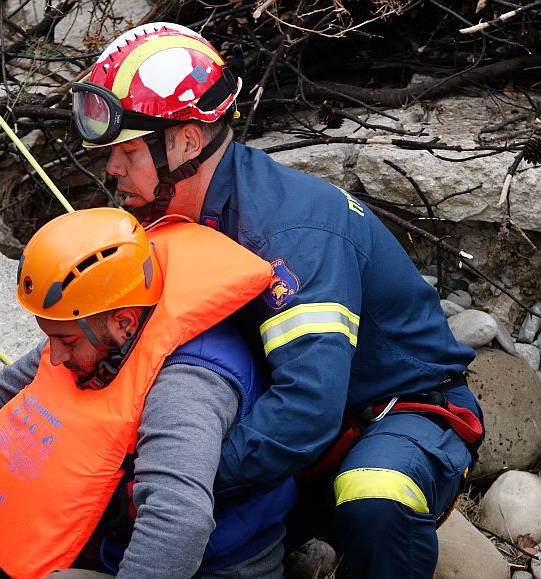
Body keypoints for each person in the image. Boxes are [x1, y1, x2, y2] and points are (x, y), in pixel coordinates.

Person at [71, 22, 485, 578]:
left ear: (187, 141)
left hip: (401, 410)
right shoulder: (176, 219)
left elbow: (307, 409)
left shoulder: (287, 238)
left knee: (374, 495)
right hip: (301, 432)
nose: (112, 168)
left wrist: (181, 479)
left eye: (126, 151)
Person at [0, 207, 296, 578]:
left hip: (209, 568)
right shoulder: (103, 329)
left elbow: (178, 521)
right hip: (111, 539)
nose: (54, 357)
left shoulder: (188, 385)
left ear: (123, 322)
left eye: (66, 342)